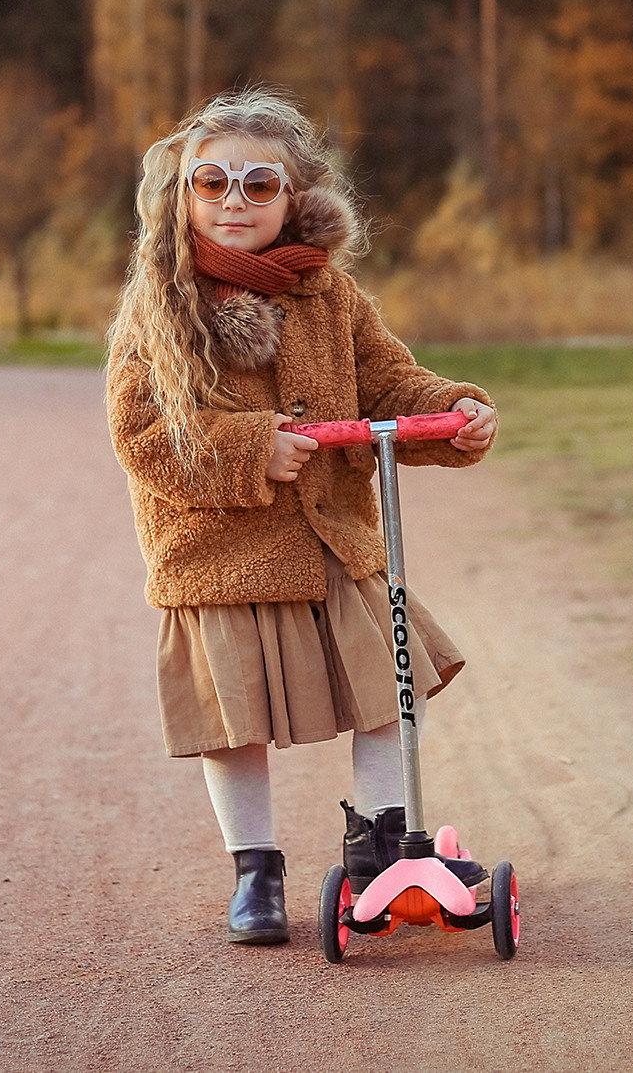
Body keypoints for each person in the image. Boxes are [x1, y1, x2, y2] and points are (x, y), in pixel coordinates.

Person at [106, 87, 498, 945]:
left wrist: (451, 410)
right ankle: (255, 868)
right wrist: (252, 447)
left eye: (259, 184)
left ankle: (380, 844)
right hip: (219, 554)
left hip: (330, 538)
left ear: (294, 196)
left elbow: (389, 383)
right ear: (183, 192)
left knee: (389, 692)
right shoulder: (162, 303)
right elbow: (141, 433)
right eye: (212, 182)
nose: (234, 200)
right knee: (234, 721)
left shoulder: (332, 296)